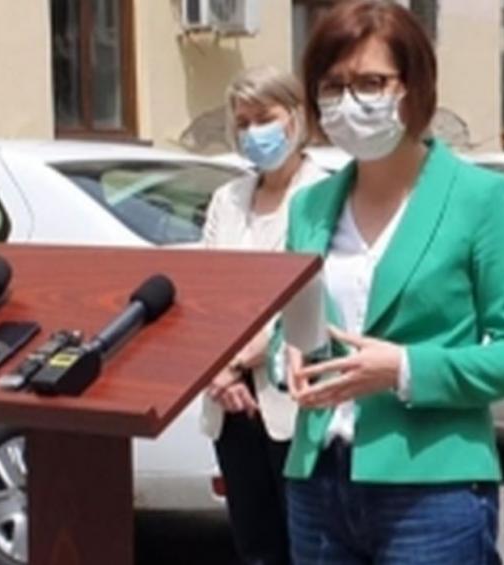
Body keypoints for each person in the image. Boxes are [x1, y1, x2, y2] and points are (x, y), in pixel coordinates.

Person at [278, 2, 504, 563]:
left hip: (431, 488)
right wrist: (285, 355)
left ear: (414, 86)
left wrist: (404, 369)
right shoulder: (309, 206)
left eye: (370, 82)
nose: (349, 101)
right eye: (332, 86)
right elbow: (292, 327)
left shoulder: (481, 199)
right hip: (317, 479)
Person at [199, 65, 328, 565]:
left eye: (265, 118)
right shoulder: (227, 199)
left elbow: (312, 295)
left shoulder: (323, 195)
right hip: (228, 403)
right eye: (243, 122)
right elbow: (206, 295)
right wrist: (218, 372)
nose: (254, 132)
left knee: (309, 545)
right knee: (254, 546)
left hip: (295, 399)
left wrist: (239, 360)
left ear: (295, 116)